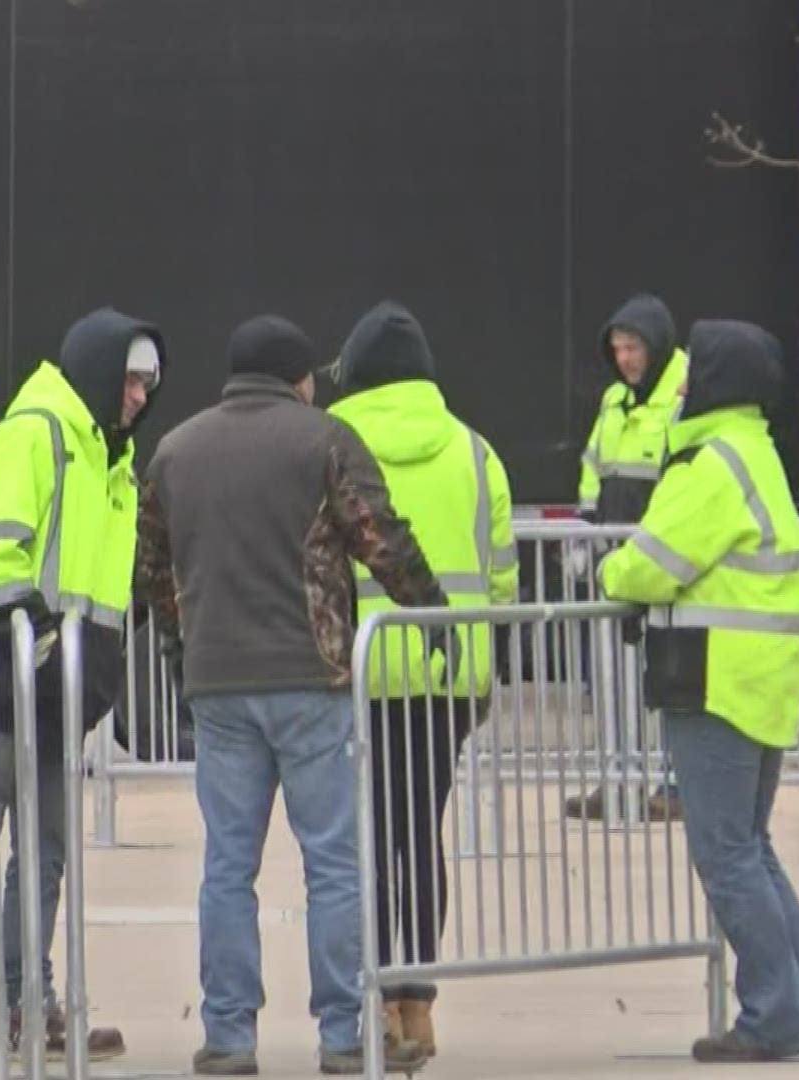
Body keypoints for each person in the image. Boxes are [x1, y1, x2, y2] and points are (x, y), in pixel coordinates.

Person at [136, 314, 448, 1077]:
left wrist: (185, 649)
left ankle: (229, 1036)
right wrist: (431, 608)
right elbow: (380, 537)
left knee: (227, 866)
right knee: (334, 863)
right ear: (299, 378)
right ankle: (342, 1035)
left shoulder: (176, 451)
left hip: (219, 685)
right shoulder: (323, 440)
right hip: (313, 679)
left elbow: (153, 575)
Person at [0, 306, 166, 1062]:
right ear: (96, 373)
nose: (140, 397)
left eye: (149, 382)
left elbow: (101, 587)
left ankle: (28, 1002)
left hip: (45, 693)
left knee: (45, 848)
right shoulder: (33, 435)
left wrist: (89, 671)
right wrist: (49, 647)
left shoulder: (106, 459)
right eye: (129, 380)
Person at [599, 319, 799, 1063]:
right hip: (759, 681)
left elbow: (647, 565)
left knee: (726, 853)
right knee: (752, 849)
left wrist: (608, 574)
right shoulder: (755, 451)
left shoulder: (711, 463)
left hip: (715, 680)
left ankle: (775, 1015)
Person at [323, 301, 518, 1060]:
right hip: (448, 677)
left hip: (358, 675)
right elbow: (501, 578)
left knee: (366, 840)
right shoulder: (475, 452)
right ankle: (419, 1001)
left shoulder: (333, 446)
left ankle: (374, 998)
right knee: (419, 833)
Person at [568, 292, 690, 822]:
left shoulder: (686, 395)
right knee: (611, 676)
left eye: (633, 347)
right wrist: (585, 527)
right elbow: (594, 466)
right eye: (617, 349)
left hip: (664, 562)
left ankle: (675, 781)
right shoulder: (615, 401)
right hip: (615, 558)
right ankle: (618, 777)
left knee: (667, 673)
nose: (625, 359)